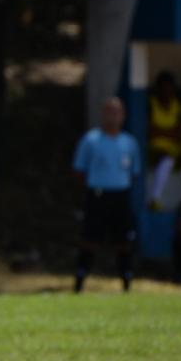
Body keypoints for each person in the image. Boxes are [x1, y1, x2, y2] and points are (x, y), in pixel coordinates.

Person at [72, 97, 141, 292]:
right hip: (98, 195)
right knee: (89, 239)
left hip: (120, 196)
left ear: (123, 115)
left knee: (124, 241)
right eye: (109, 112)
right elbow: (78, 170)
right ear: (102, 114)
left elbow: (134, 173)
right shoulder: (91, 140)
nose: (113, 116)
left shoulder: (130, 142)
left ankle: (126, 281)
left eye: (117, 112)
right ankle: (80, 280)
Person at [147, 71, 181, 210]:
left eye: (169, 88)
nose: (166, 91)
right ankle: (155, 199)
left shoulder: (177, 106)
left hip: (175, 149)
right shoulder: (151, 104)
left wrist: (161, 131)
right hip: (154, 150)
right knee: (166, 159)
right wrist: (170, 132)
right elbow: (150, 132)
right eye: (163, 88)